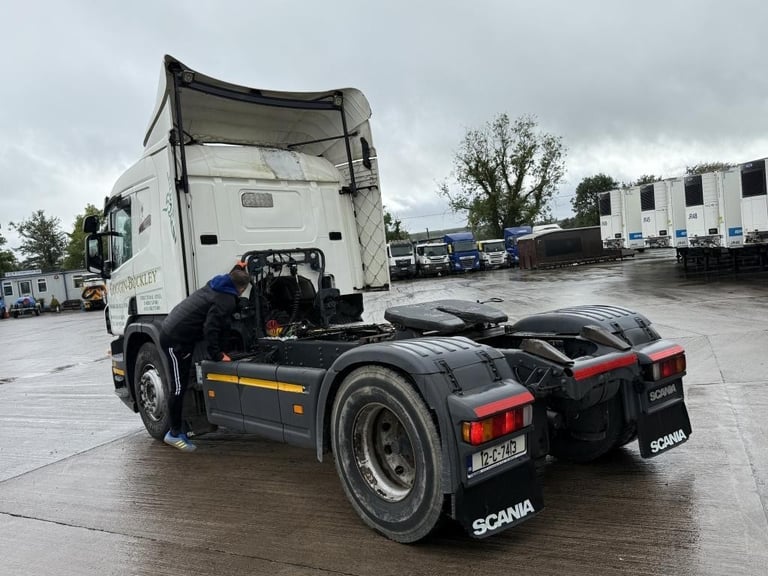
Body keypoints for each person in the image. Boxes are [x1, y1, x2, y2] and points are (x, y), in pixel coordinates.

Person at [159, 265, 250, 452]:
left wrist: (239, 267)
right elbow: (211, 328)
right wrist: (217, 355)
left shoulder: (217, 284)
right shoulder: (226, 300)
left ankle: (178, 430)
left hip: (181, 337)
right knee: (177, 387)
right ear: (242, 289)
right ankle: (174, 434)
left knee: (181, 384)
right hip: (174, 340)